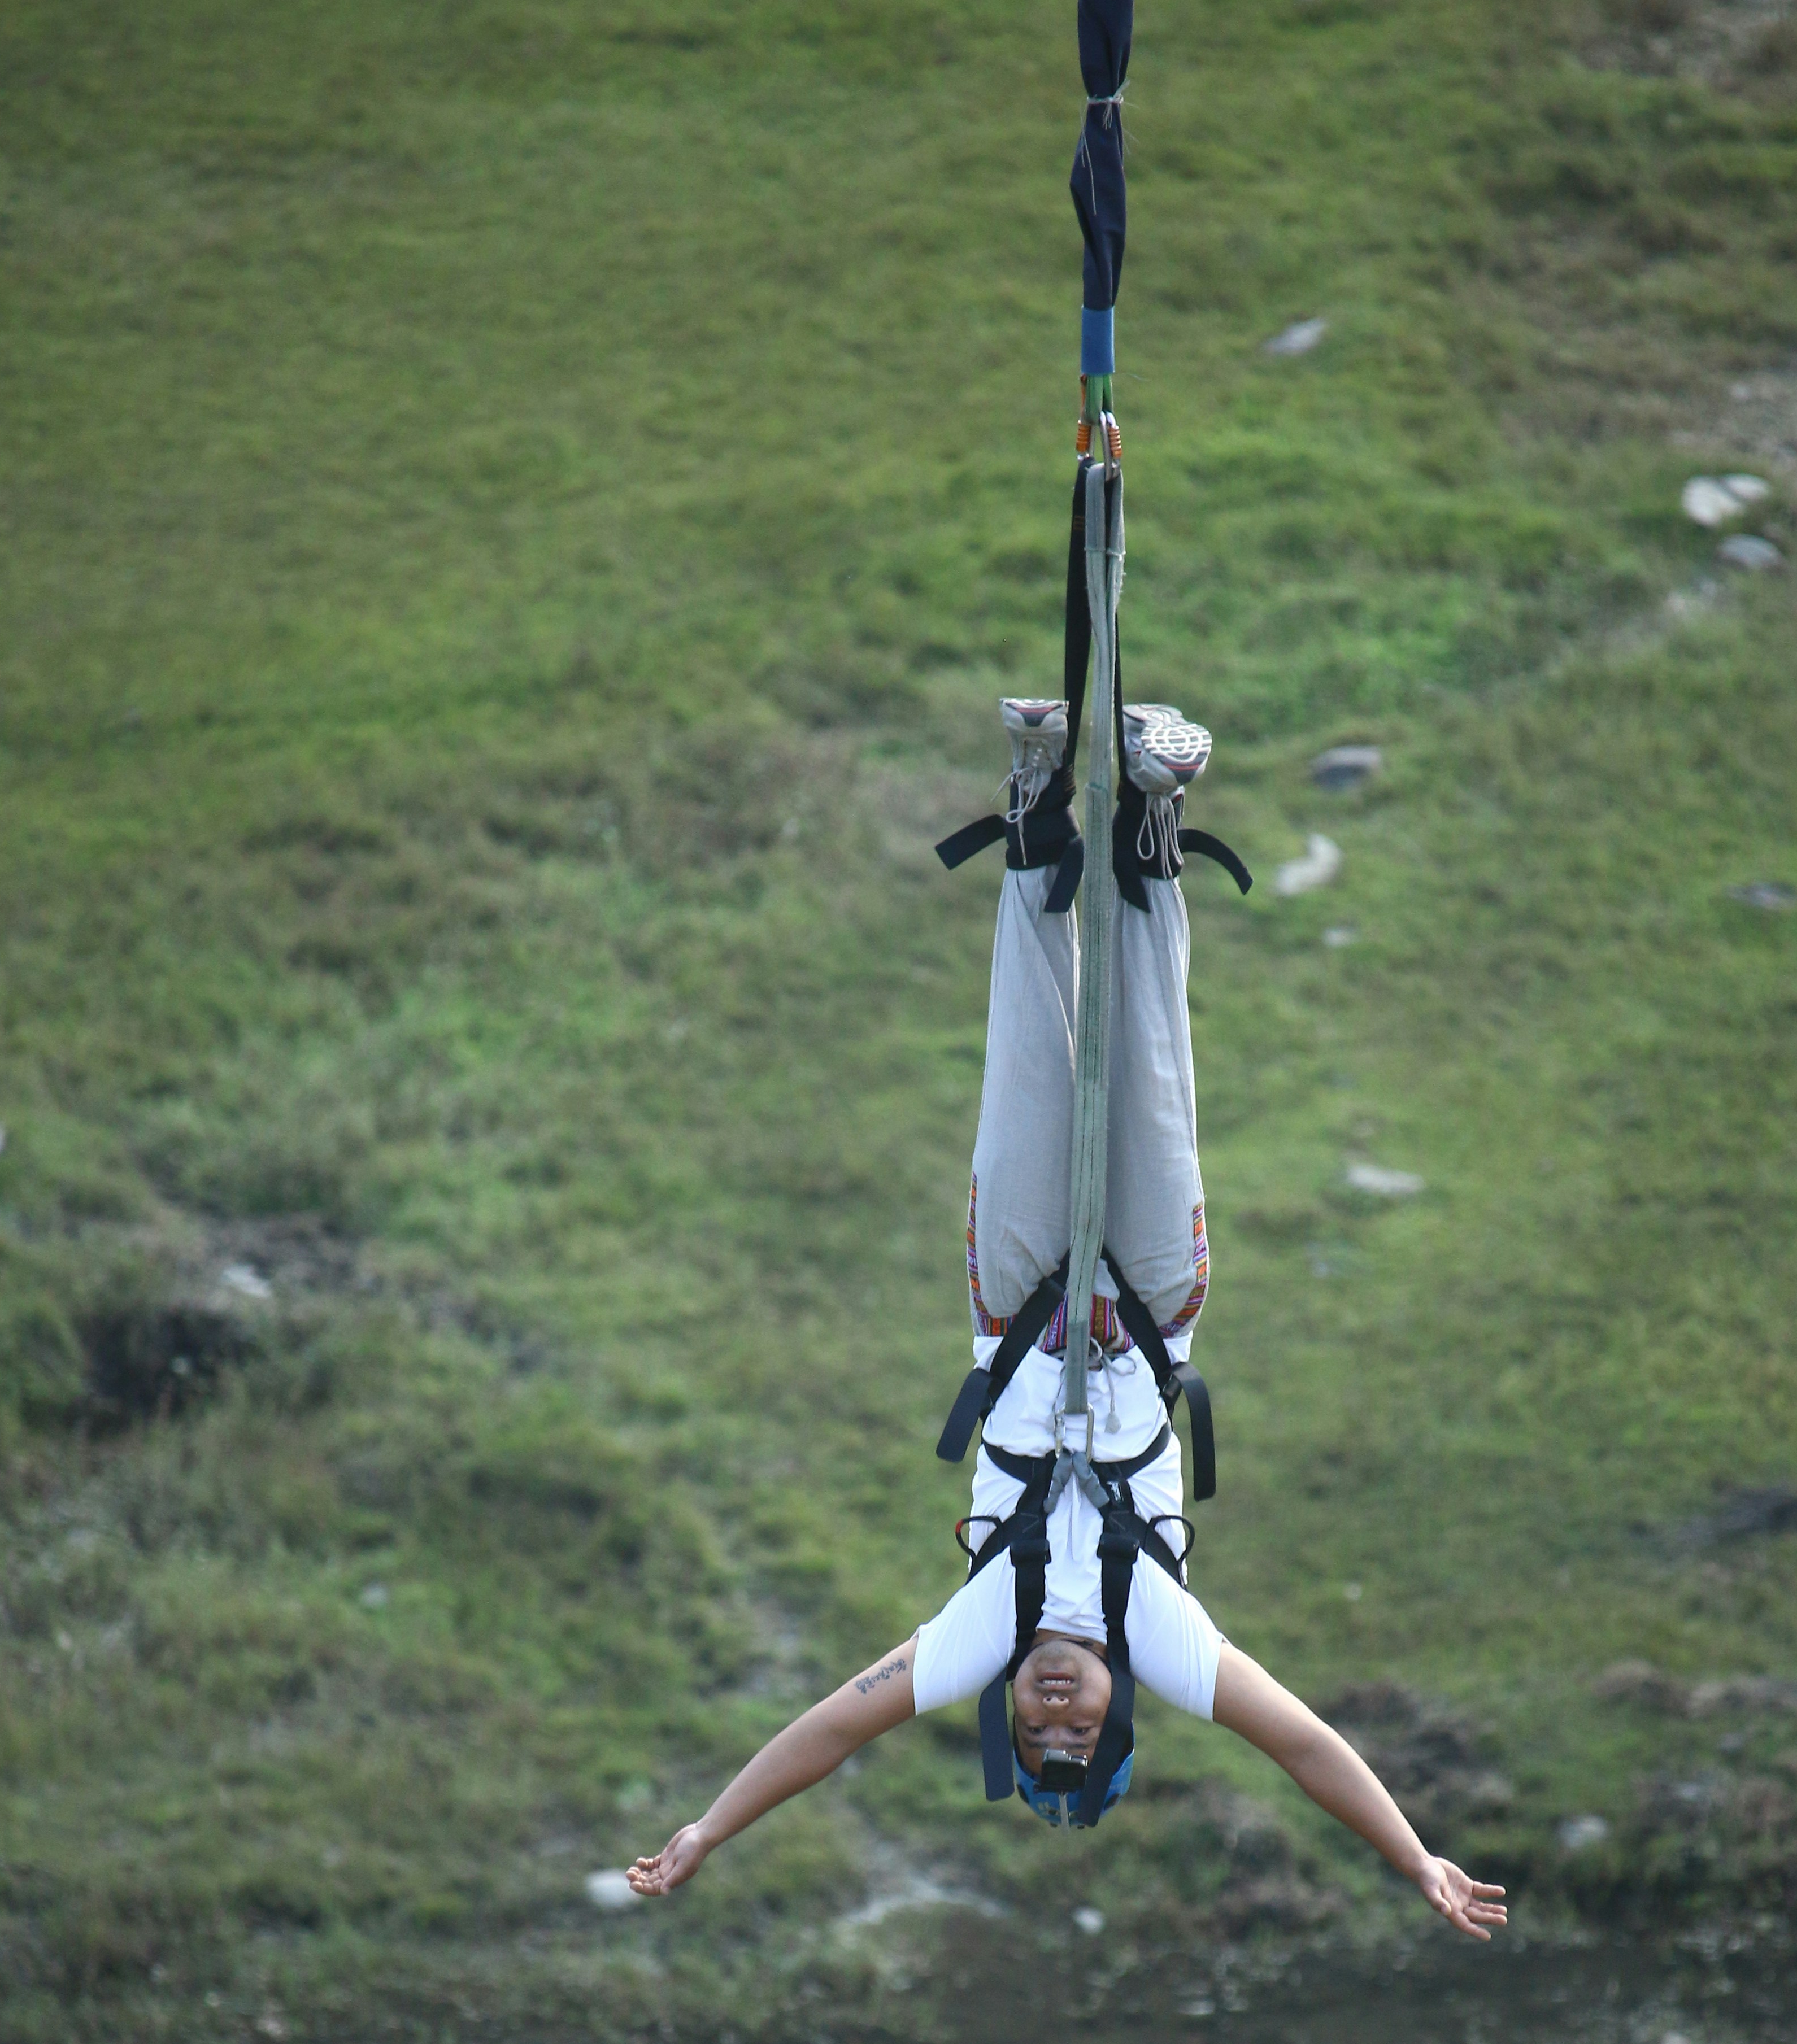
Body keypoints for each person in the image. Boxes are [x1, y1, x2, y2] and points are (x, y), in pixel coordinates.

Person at [628, 701, 1506, 1944]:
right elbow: (1305, 1744)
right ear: (1115, 1711)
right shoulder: (1162, 1637)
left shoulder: (984, 1629)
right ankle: (1150, 819)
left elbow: (831, 1731)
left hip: (1018, 1297)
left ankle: (1040, 813)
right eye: (1073, 1730)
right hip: (1152, 1302)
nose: (1052, 1710)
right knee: (1149, 1076)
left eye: (1037, 1729)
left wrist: (709, 1829)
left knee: (1029, 1066)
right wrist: (1415, 1857)